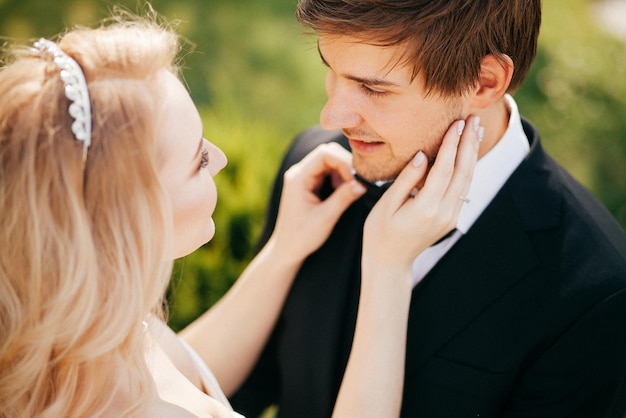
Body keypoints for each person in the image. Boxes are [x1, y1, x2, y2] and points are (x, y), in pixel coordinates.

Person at [0, 8, 480, 418]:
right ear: (133, 216)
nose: (220, 158)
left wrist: (284, 252)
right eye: (198, 161)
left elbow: (177, 372)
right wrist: (387, 268)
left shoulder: (90, 331)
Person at [231, 1, 626, 417]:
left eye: (373, 88)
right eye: (332, 71)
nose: (332, 117)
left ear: (484, 83)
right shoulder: (314, 173)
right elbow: (227, 397)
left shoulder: (594, 292)